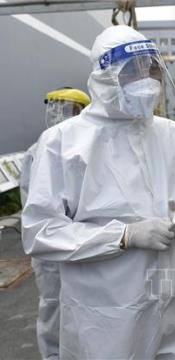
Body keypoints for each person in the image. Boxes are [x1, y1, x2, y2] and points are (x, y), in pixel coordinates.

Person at [22, 25, 175, 359]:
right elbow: (40, 231)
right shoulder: (63, 142)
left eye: (150, 69)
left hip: (174, 296)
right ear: (105, 76)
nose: (146, 80)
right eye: (132, 71)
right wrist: (123, 235)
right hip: (104, 311)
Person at [20, 87, 90, 360]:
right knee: (53, 305)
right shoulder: (38, 149)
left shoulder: (89, 146)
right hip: (50, 245)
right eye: (55, 107)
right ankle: (53, 356)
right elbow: (32, 201)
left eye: (67, 108)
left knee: (85, 304)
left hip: (83, 241)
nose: (58, 114)